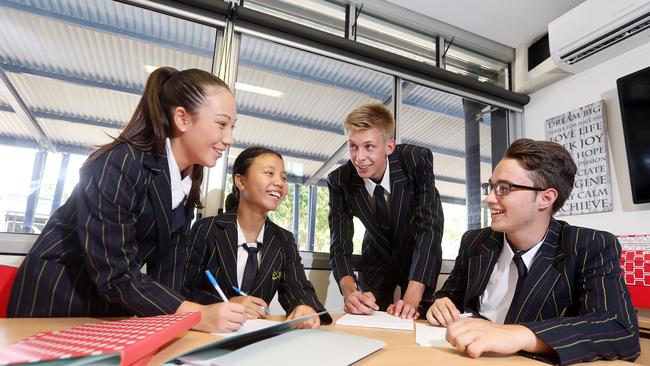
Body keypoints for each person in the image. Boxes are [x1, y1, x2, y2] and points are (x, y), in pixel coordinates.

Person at [8, 67, 246, 333]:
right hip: (56, 304)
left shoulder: (186, 179)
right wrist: (197, 316)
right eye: (222, 124)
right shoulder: (120, 163)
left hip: (109, 308)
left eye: (232, 127)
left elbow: (171, 270)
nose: (229, 139)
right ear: (182, 118)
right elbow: (115, 273)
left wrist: (202, 312)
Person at [426, 138, 640, 364]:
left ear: (545, 198)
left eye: (504, 188)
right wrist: (441, 302)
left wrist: (521, 334)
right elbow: (450, 295)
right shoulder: (475, 241)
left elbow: (619, 330)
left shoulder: (589, 245)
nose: (489, 199)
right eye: (491, 186)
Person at [183, 146, 332, 328]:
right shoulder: (206, 229)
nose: (280, 182)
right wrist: (228, 303)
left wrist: (305, 306)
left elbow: (299, 288)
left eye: (284, 178)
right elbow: (183, 289)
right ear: (240, 181)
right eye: (269, 173)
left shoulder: (283, 240)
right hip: (206, 333)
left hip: (257, 337)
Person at [328, 102, 444, 319]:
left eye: (369, 146)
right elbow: (339, 244)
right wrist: (350, 292)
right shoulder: (339, 180)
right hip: (376, 255)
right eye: (353, 146)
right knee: (369, 316)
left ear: (389, 147)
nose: (359, 157)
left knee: (416, 315)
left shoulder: (416, 160)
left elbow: (429, 229)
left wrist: (411, 299)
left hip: (417, 253)